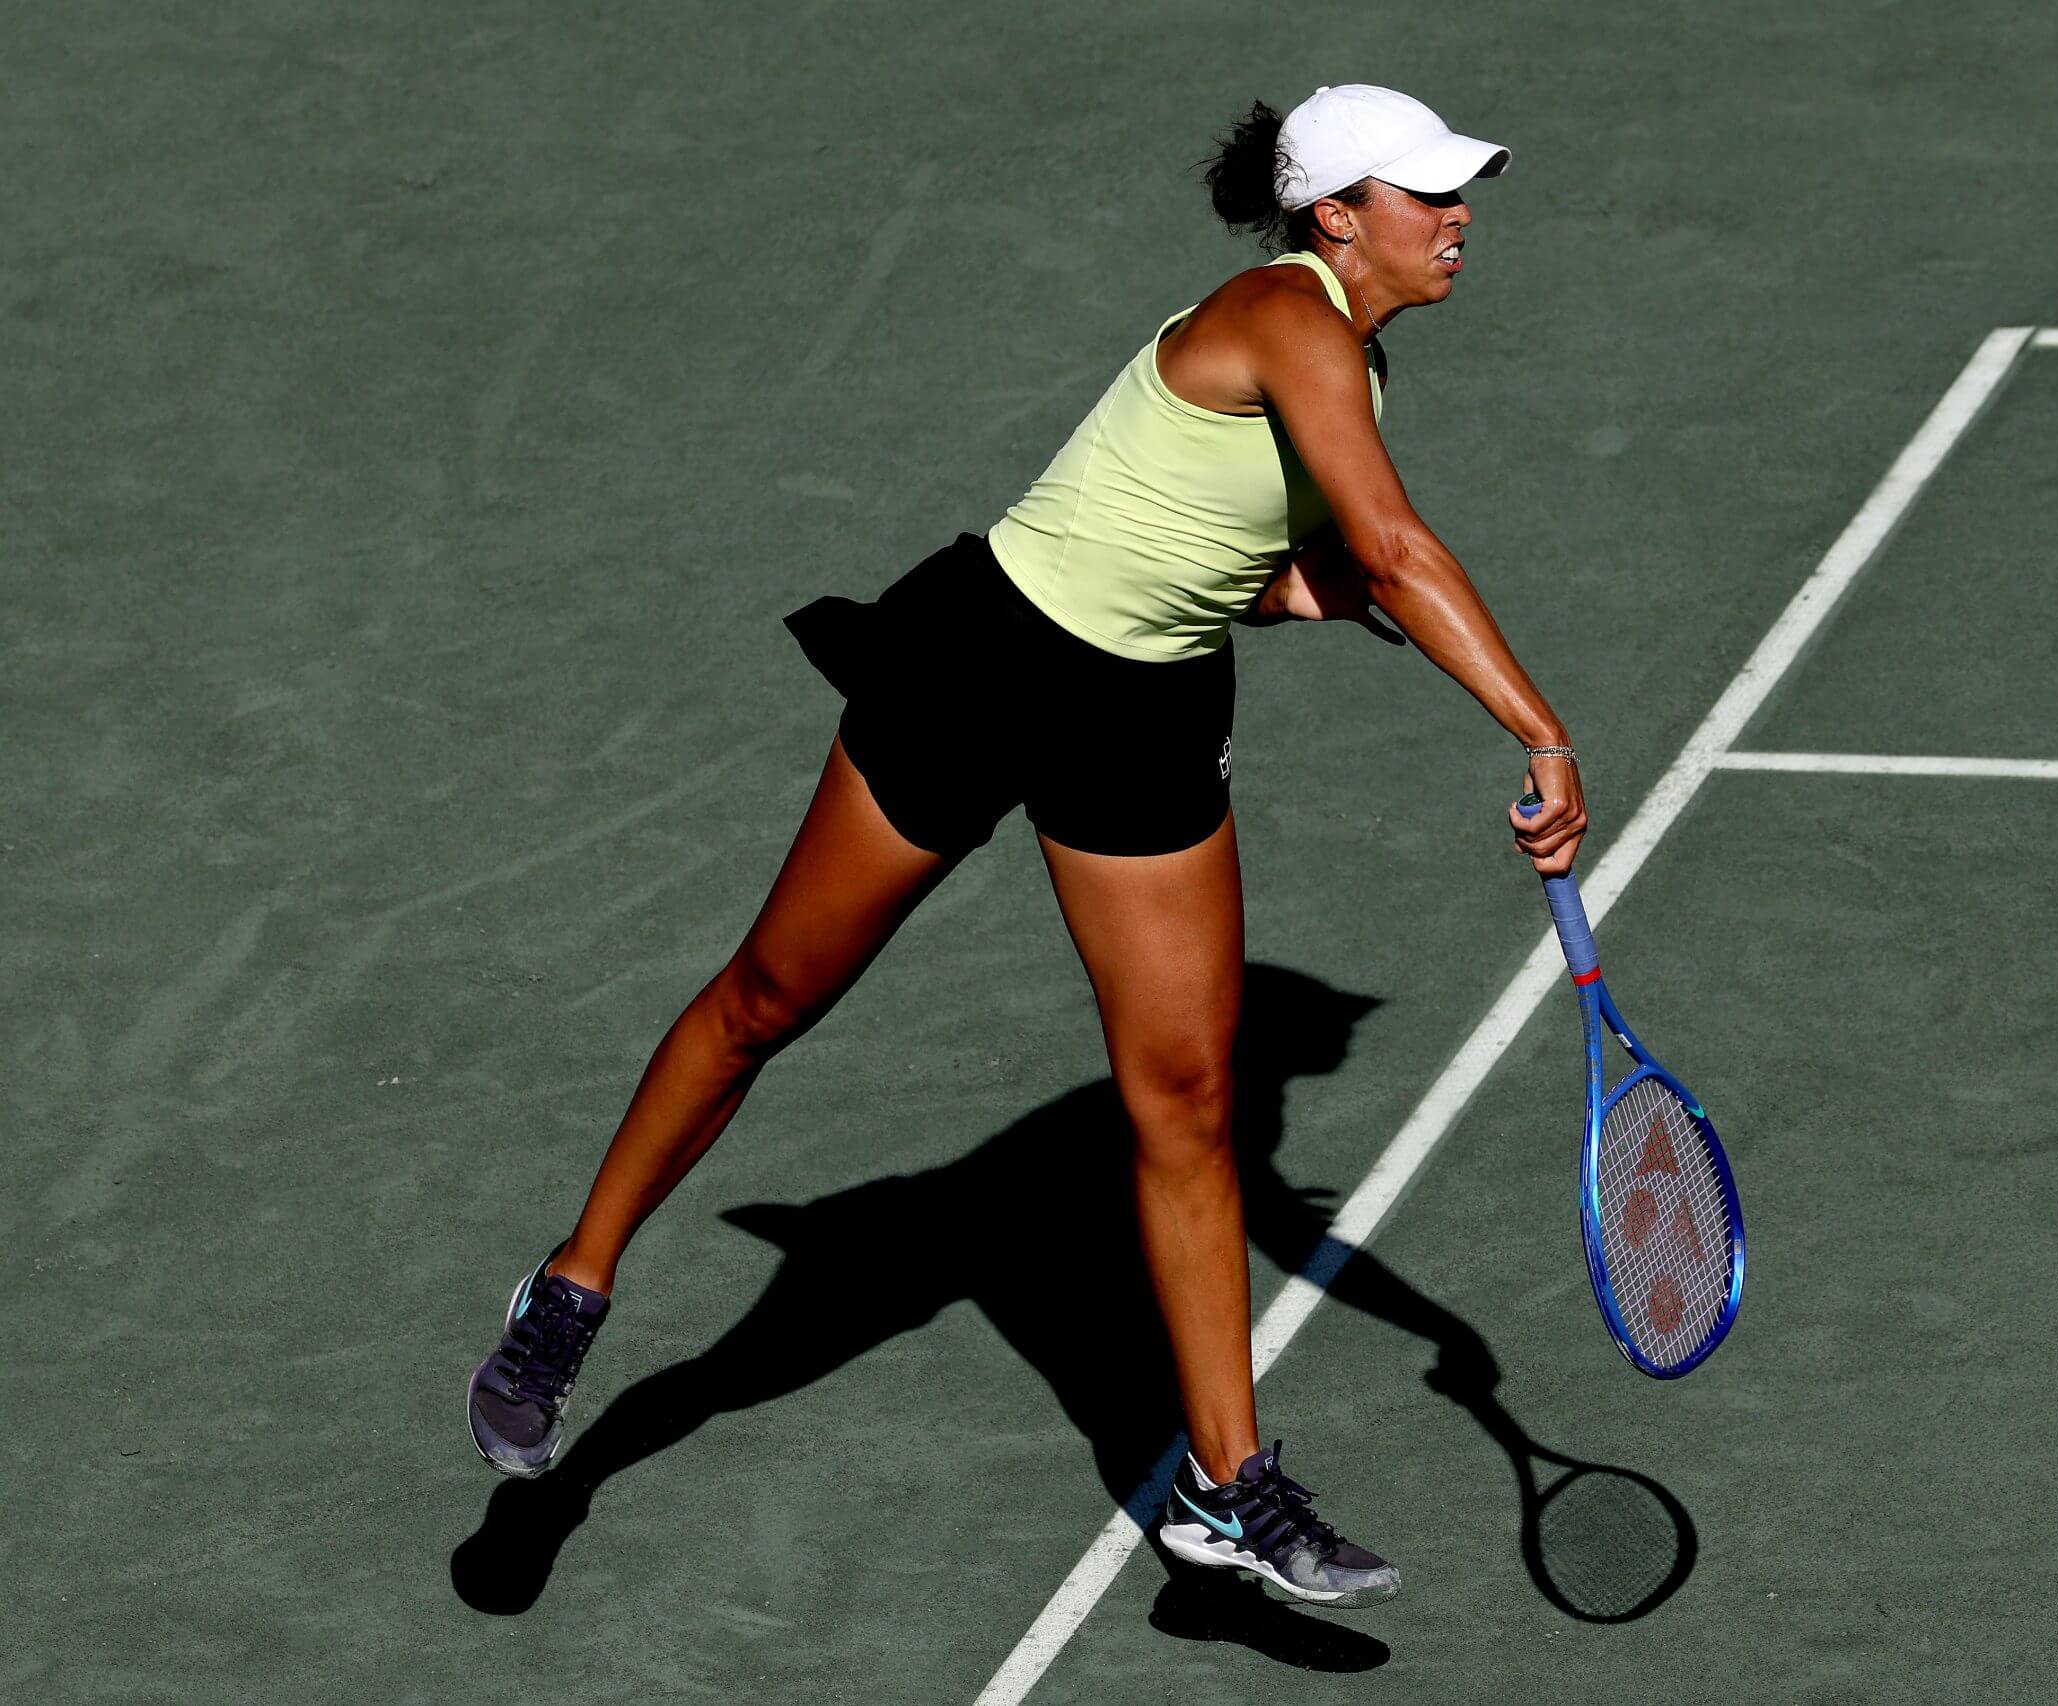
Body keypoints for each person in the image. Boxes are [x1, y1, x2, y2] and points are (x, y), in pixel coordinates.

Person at [465, 82, 1587, 1610]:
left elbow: (1253, 563)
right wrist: (1537, 728)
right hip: (986, 662)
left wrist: (1319, 598)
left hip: (1144, 708)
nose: (1459, 220)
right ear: (1339, 216)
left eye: (1461, 194)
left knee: (1188, 1101)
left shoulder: (1354, 364)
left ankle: (1226, 1485)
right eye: (1429, 195)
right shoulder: (1286, 312)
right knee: (766, 1002)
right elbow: (1391, 545)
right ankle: (572, 1284)